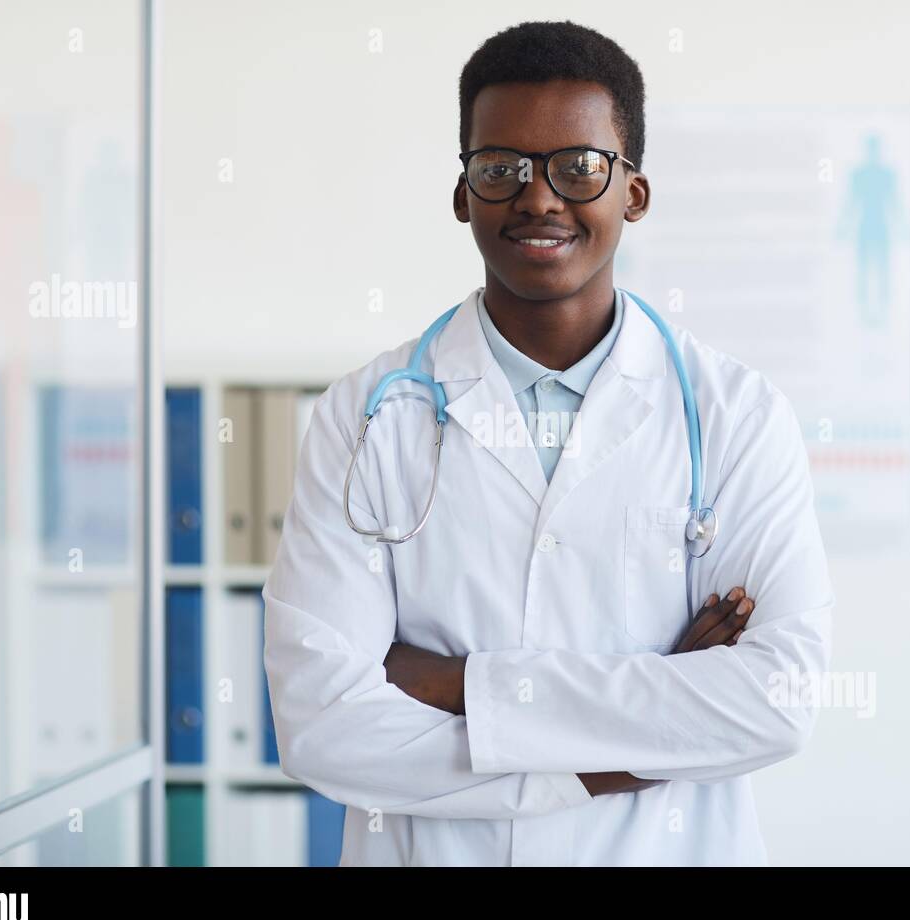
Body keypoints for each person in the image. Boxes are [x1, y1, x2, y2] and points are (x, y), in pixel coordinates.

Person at [263, 19, 834, 866]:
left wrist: (458, 686)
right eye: (501, 169)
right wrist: (631, 747)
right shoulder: (365, 416)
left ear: (632, 192)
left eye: (578, 166)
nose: (538, 198)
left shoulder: (737, 416)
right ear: (463, 194)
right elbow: (325, 727)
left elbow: (778, 700)